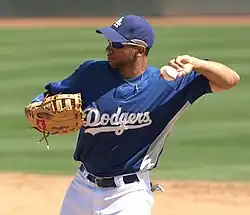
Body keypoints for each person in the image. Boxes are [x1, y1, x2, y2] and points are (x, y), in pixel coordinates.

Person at [26, 15, 240, 215]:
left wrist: (197, 63)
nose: (109, 48)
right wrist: (36, 105)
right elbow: (51, 94)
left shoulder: (169, 85)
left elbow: (230, 80)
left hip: (129, 194)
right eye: (109, 41)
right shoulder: (91, 72)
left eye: (117, 44)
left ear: (139, 49)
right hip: (82, 187)